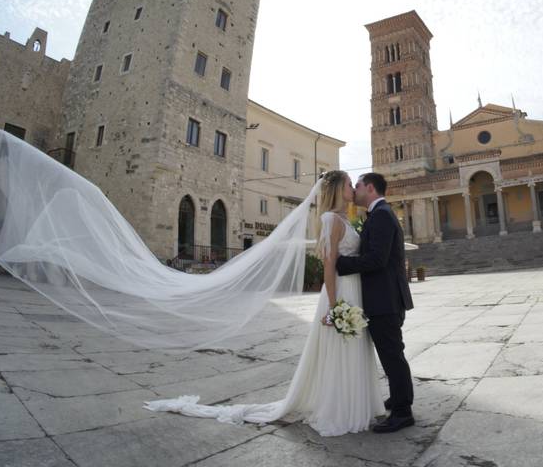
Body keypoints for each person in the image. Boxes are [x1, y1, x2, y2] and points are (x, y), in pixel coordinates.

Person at [144, 170, 384, 436]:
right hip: (341, 294)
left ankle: (353, 403)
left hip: (354, 290)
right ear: (339, 189)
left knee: (352, 348)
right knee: (341, 350)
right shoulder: (330, 219)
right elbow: (329, 266)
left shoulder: (344, 219)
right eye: (350, 184)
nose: (354, 188)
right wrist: (333, 304)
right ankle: (340, 408)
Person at [336, 172, 415, 433]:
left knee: (392, 355)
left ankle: (403, 412)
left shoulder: (381, 215)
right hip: (386, 298)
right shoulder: (380, 213)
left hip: (385, 299)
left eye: (357, 185)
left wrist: (342, 264)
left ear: (369, 188)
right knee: (391, 353)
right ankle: (397, 399)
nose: (355, 190)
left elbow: (376, 260)